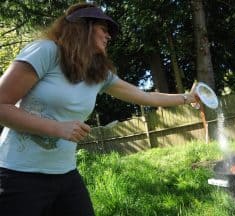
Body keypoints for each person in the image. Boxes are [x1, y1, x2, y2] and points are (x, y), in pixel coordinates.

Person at [0, 2, 198, 216]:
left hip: (65, 175)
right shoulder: (46, 51)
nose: (109, 36)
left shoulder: (99, 74)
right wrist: (56, 128)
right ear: (83, 27)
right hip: (17, 176)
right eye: (103, 29)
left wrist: (188, 97)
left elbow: (145, 96)